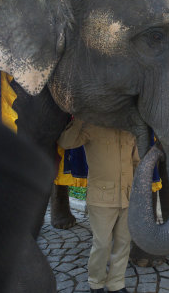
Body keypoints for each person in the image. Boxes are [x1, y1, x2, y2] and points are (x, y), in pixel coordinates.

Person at [58, 119, 140, 293]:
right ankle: (96, 282)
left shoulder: (129, 129)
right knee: (102, 243)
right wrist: (80, 119)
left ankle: (116, 284)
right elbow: (65, 142)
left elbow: (135, 162)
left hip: (127, 196)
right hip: (101, 197)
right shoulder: (91, 126)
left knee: (123, 243)